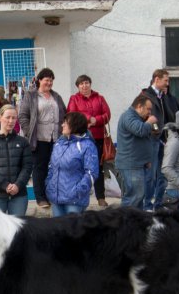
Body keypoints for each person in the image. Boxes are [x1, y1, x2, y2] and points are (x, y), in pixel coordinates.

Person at [18, 67, 66, 208]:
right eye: (47, 80)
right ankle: (41, 198)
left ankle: (54, 195)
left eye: (51, 80)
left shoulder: (56, 96)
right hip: (38, 139)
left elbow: (65, 113)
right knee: (40, 168)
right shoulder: (31, 95)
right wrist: (28, 131)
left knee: (57, 167)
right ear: (39, 80)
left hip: (56, 138)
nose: (49, 83)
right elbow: (23, 116)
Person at [0, 104, 32, 216]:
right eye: (8, 117)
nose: (11, 121)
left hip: (19, 195)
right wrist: (5, 185)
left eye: (14, 118)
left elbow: (27, 167)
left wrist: (17, 185)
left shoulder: (23, 142)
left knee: (17, 230)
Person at [67, 75, 111, 207]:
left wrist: (96, 120)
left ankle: (101, 197)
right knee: (80, 168)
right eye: (81, 84)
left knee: (98, 168)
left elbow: (107, 115)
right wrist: (88, 118)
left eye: (86, 83)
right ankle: (80, 196)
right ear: (78, 86)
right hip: (80, 139)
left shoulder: (100, 98)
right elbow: (71, 115)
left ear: (90, 84)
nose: (84, 86)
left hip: (98, 138)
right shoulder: (74, 99)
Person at [45, 111, 99, 216]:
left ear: (75, 125)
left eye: (66, 122)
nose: (62, 125)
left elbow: (91, 173)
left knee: (74, 232)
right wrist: (49, 185)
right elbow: (51, 167)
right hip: (56, 198)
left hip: (74, 201)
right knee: (58, 231)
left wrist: (78, 192)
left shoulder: (87, 145)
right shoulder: (58, 144)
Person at [142, 68, 179, 210]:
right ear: (156, 80)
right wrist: (155, 131)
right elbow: (147, 117)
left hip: (165, 140)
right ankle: (147, 204)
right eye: (166, 80)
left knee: (163, 173)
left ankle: (158, 203)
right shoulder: (146, 95)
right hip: (153, 139)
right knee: (151, 175)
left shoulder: (164, 97)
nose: (167, 83)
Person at [115, 94, 158, 208]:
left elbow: (143, 138)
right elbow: (140, 130)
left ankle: (135, 224)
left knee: (139, 197)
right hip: (130, 165)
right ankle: (124, 224)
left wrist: (146, 159)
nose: (150, 112)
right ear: (139, 106)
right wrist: (150, 122)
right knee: (133, 197)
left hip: (138, 164)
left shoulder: (138, 118)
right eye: (148, 109)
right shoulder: (128, 117)